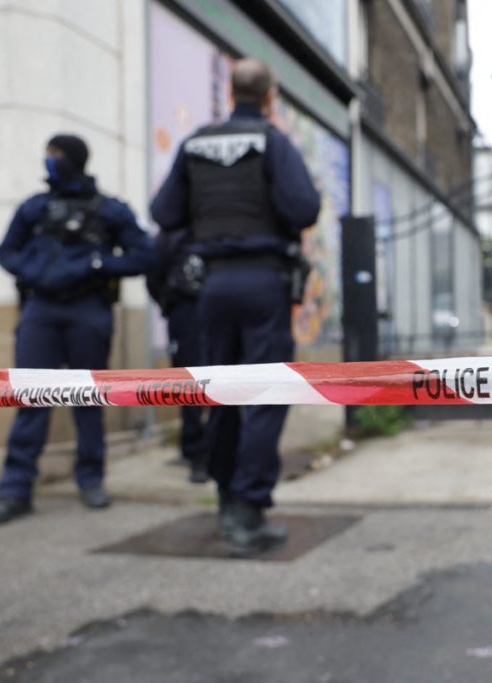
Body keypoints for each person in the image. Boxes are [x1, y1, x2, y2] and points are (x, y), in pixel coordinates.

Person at [150, 58, 321, 556]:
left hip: (213, 287)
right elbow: (304, 209)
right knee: (265, 395)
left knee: (218, 393)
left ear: (230, 92)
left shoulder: (195, 144)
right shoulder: (274, 142)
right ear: (269, 97)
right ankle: (248, 510)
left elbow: (164, 214)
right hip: (263, 283)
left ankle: (227, 500)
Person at [0, 134, 156, 527]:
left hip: (88, 311)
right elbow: (6, 252)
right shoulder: (35, 208)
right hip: (41, 310)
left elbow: (145, 255)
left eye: (56, 154)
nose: (49, 160)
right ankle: (15, 490)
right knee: (29, 398)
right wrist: (35, 271)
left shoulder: (110, 210)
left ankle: (91, 480)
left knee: (88, 400)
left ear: (74, 158)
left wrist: (97, 265)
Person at [145, 229, 210, 483]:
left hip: (222, 308)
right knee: (189, 385)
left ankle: (227, 449)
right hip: (186, 311)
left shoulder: (221, 228)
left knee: (233, 384)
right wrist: (169, 303)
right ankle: (197, 455)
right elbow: (154, 271)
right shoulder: (175, 233)